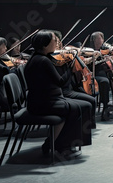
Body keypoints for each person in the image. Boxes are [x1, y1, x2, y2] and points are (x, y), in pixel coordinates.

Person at [24, 30, 84, 159]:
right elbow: (61, 82)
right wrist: (70, 65)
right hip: (42, 103)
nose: (56, 43)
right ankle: (57, 146)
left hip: (40, 100)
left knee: (76, 107)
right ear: (45, 45)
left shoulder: (36, 57)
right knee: (74, 109)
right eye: (54, 41)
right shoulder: (43, 61)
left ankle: (57, 144)